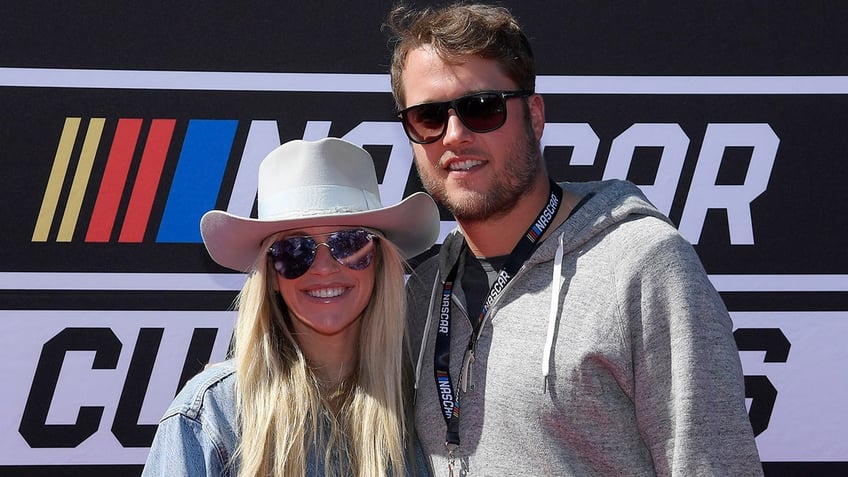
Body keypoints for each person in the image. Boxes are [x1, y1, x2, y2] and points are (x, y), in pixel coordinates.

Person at [386, 3, 763, 476]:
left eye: (482, 108)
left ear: (535, 116)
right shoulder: (420, 294)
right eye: (428, 117)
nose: (455, 135)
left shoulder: (641, 264)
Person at [142, 137, 440, 476]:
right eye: (294, 250)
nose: (325, 267)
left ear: (380, 262)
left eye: (348, 243)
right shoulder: (210, 416)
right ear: (270, 275)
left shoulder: (425, 410)